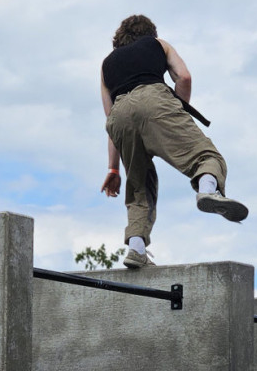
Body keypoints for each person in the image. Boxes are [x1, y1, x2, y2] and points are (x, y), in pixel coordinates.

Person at [100, 14, 247, 268]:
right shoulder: (158, 44)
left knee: (139, 187)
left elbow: (111, 119)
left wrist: (113, 169)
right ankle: (207, 190)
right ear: (150, 33)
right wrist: (177, 112)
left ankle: (136, 248)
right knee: (205, 156)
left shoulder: (105, 66)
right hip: (155, 101)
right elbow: (184, 77)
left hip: (120, 117)